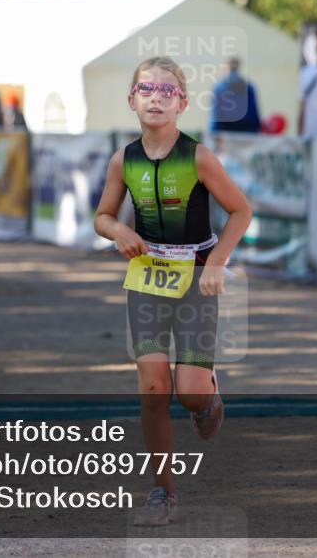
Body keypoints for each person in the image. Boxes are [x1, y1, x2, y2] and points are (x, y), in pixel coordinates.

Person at [93, 56, 252, 527]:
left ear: (182, 102)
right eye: (147, 89)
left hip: (196, 277)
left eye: (167, 91)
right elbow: (102, 215)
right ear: (131, 99)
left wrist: (217, 263)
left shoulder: (199, 157)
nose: (156, 98)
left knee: (188, 391)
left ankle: (209, 396)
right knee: (154, 388)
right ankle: (163, 491)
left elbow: (240, 212)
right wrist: (117, 232)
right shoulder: (123, 159)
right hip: (146, 279)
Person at [210, 57, 261, 133]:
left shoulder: (219, 88)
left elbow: (216, 115)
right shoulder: (249, 87)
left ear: (226, 68)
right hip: (247, 131)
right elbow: (254, 114)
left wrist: (213, 133)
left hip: (226, 132)